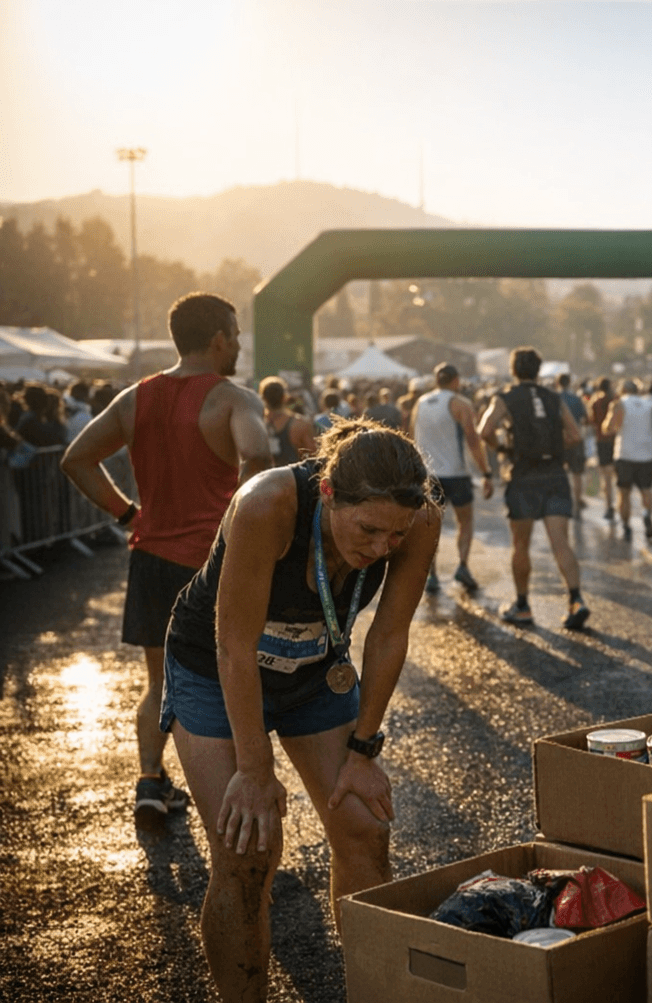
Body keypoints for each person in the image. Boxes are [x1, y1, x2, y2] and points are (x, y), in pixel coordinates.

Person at [162, 419, 438, 1001]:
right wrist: (255, 769)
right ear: (330, 493)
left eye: (395, 536)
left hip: (317, 667)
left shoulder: (420, 517)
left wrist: (364, 751)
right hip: (216, 669)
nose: (380, 548)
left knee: (364, 828)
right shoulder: (269, 503)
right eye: (368, 529)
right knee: (248, 848)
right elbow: (234, 646)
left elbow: (389, 636)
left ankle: (372, 990)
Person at [61, 292, 272, 831]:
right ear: (220, 338)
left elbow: (76, 459)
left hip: (151, 558)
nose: (241, 344)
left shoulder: (135, 398)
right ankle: (230, 793)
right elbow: (260, 454)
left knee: (161, 684)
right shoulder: (232, 398)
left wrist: (127, 513)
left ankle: (151, 782)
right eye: (237, 335)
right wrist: (242, 525)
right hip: (211, 565)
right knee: (231, 677)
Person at [477, 346, 590, 630]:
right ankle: (576, 600)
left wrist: (504, 448)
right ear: (539, 371)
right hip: (554, 474)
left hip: (523, 474)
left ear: (514, 370)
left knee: (521, 545)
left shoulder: (505, 397)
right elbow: (575, 435)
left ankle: (523, 606)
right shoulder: (554, 398)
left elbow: (484, 430)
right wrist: (552, 448)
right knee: (560, 542)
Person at [409, 363, 493, 594]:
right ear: (456, 381)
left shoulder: (421, 403)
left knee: (431, 524)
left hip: (428, 473)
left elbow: (412, 436)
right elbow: (473, 440)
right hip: (456, 473)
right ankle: (462, 566)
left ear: (437, 380)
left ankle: (432, 574)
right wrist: (486, 472)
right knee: (464, 521)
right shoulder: (460, 404)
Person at [602, 378, 652, 541]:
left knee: (624, 494)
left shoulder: (619, 404)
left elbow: (609, 428)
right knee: (647, 490)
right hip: (647, 454)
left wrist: (612, 419)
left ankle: (626, 526)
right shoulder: (651, 405)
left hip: (625, 454)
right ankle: (646, 515)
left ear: (622, 391)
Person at [259, 376, 316, 466]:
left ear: (263, 398)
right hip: (291, 477)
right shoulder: (300, 424)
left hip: (261, 478)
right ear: (284, 397)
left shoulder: (256, 424)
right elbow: (313, 457)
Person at [555, 372, 589, 515]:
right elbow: (585, 419)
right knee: (577, 474)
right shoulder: (576, 399)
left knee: (558, 472)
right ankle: (577, 501)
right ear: (569, 383)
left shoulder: (553, 399)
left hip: (558, 440)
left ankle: (560, 501)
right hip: (575, 439)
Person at [587, 377, 619, 522]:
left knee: (606, 475)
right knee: (617, 475)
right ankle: (619, 502)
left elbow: (591, 420)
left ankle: (609, 505)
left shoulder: (595, 402)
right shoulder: (616, 400)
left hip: (602, 440)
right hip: (616, 440)